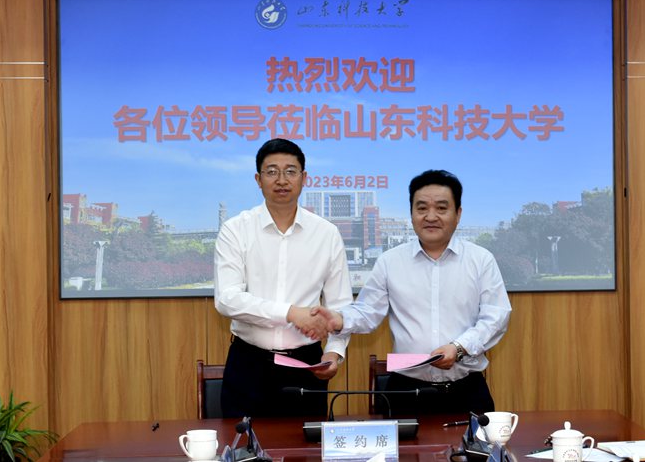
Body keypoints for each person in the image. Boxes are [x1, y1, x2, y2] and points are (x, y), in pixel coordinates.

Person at [312, 169, 511, 417]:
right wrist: (340, 319)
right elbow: (368, 312)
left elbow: (496, 317)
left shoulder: (481, 260)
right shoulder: (390, 262)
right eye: (422, 208)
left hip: (467, 391)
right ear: (411, 213)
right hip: (406, 392)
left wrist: (459, 348)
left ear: (458, 214)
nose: (431, 216)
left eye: (441, 208)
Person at [214, 138, 351, 418]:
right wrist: (291, 313)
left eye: (290, 171)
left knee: (306, 444)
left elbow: (341, 305)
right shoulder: (236, 229)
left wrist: (334, 353)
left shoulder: (326, 234)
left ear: (304, 178)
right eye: (272, 171)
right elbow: (227, 299)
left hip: (307, 366)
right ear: (258, 179)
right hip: (249, 364)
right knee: (242, 443)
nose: (281, 180)